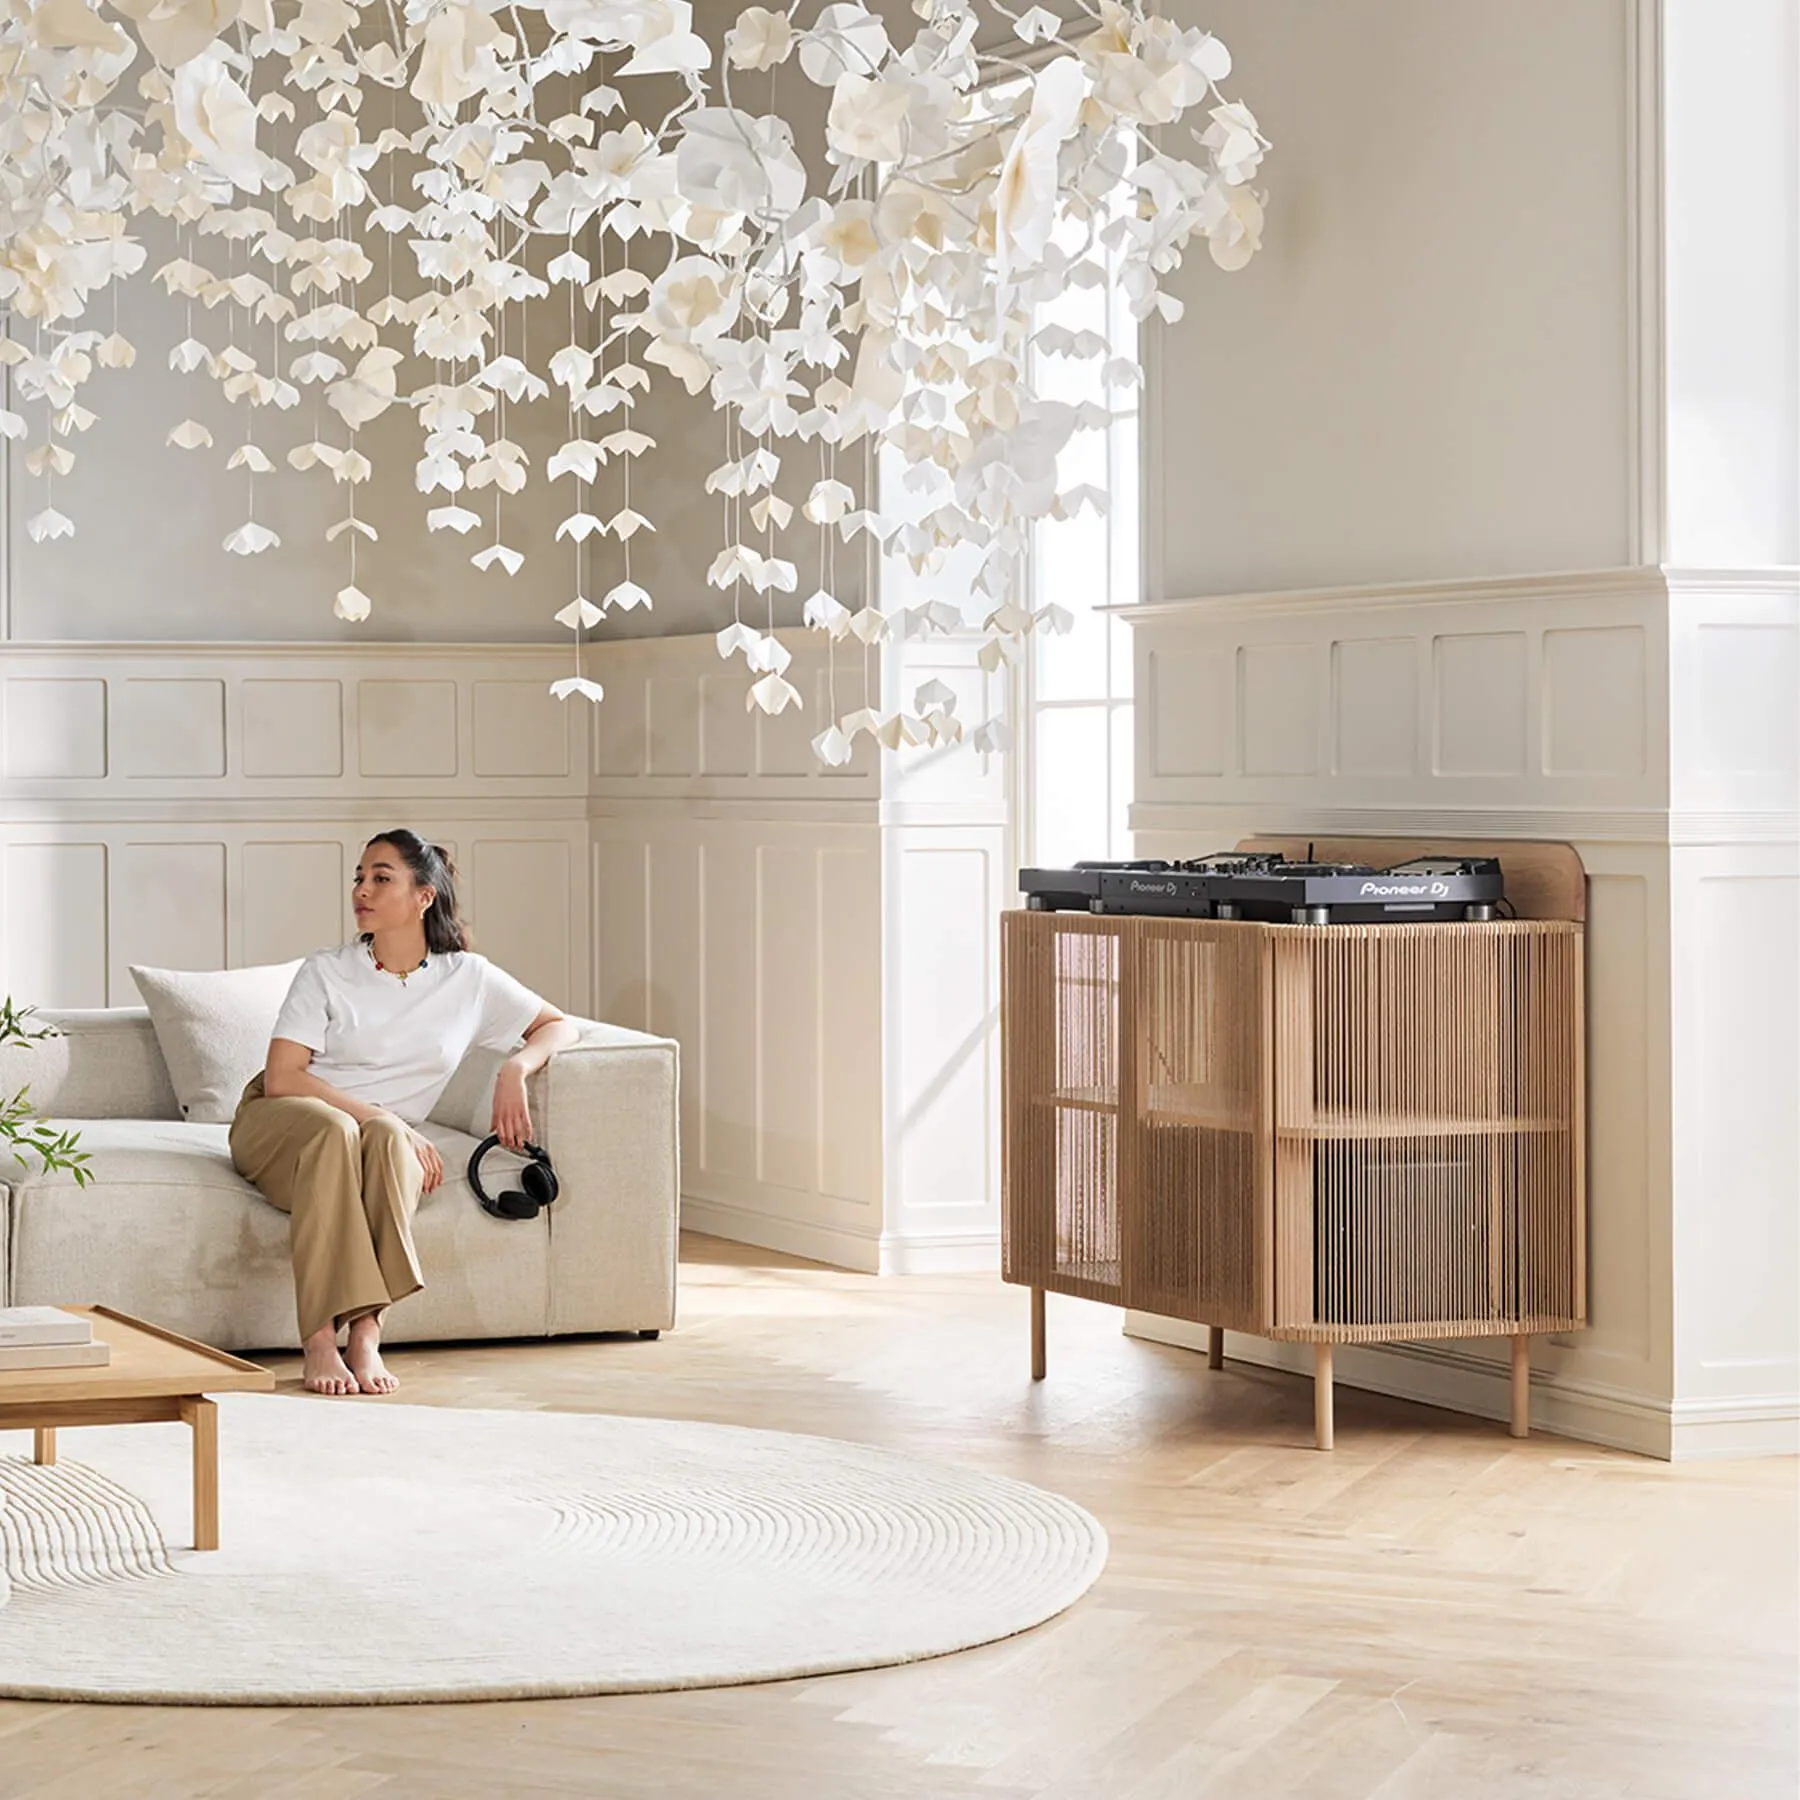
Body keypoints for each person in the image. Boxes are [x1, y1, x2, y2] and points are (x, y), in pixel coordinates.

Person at [228, 830, 580, 1397]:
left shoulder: (468, 978)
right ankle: (319, 1339)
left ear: (424, 897)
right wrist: (379, 1116)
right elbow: (283, 1078)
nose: (361, 890)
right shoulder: (327, 970)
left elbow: (559, 1024)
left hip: (374, 1137)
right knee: (341, 1130)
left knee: (385, 1144)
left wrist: (516, 1068)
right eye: (359, 877)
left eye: (381, 878)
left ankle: (366, 1333)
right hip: (285, 1121)